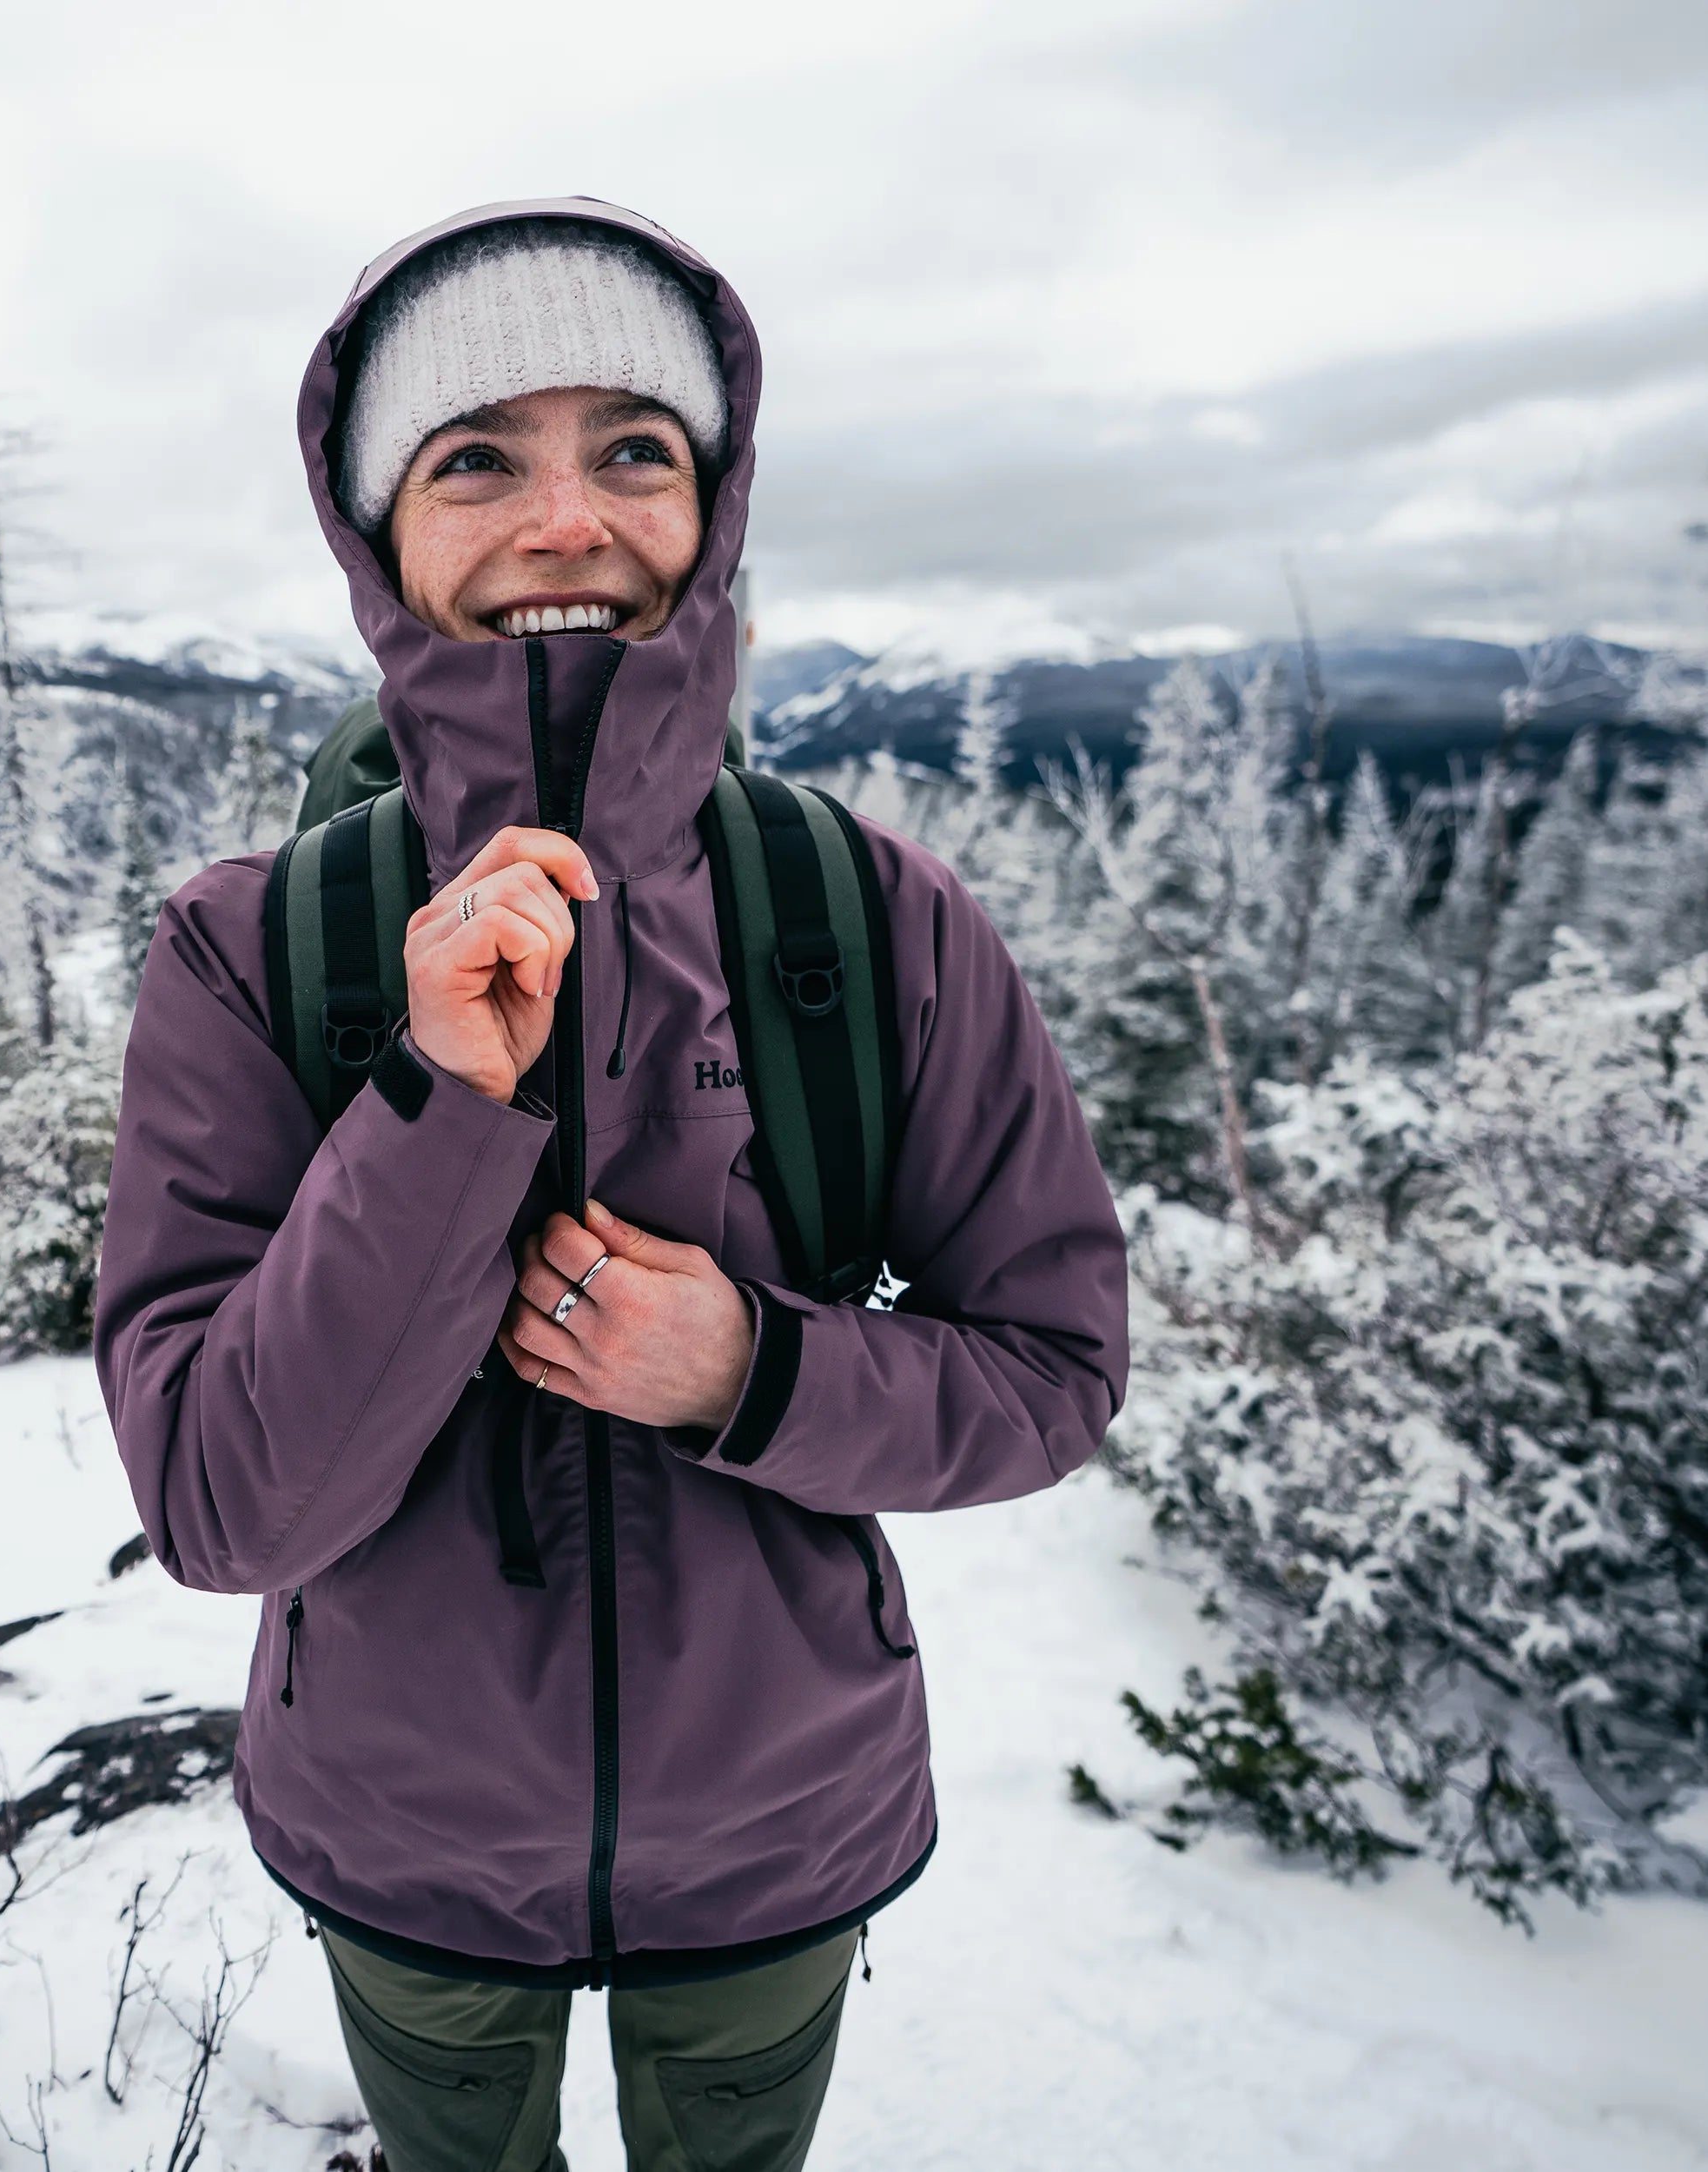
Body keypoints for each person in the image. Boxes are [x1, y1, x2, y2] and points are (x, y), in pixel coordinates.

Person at [94, 198, 1129, 2172]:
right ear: (376, 525)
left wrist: (741, 1368)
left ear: (709, 505)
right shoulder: (252, 949)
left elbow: (1051, 1369)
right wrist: (439, 1100)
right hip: (403, 1841)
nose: (566, 519)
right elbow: (226, 1506)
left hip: (776, 1834)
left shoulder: (866, 917)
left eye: (631, 450)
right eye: (476, 454)